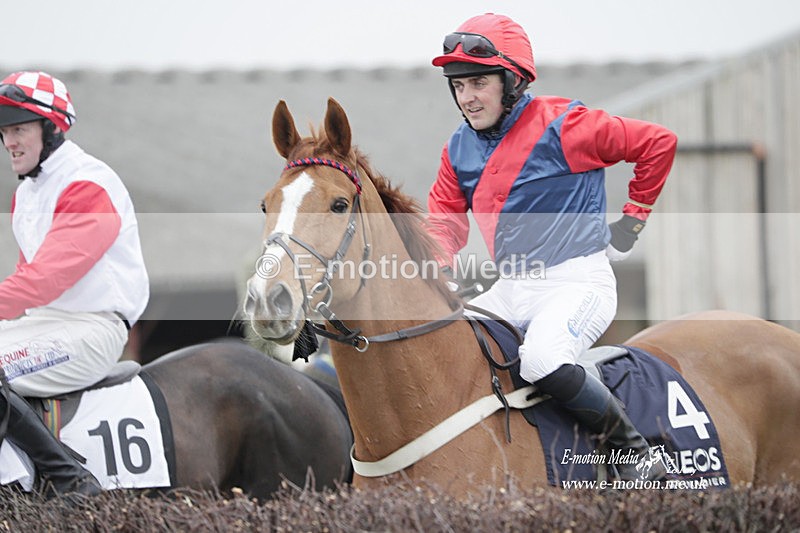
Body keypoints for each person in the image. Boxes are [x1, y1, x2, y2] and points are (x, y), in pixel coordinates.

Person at [427, 14, 677, 481]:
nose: (467, 97)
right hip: (509, 288)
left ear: (512, 80)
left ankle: (639, 458)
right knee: (443, 343)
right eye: (458, 86)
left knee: (542, 359)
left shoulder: (567, 124)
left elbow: (657, 143)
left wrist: (632, 221)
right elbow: (443, 221)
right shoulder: (456, 148)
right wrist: (439, 266)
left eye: (478, 82)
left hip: (576, 283)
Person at [0, 71, 149, 497]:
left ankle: (70, 478)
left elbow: (43, 280)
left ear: (51, 129)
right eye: (5, 130)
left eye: (19, 129)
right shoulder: (26, 194)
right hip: (46, 324)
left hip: (92, 331)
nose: (9, 140)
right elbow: (26, 280)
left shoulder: (87, 182)